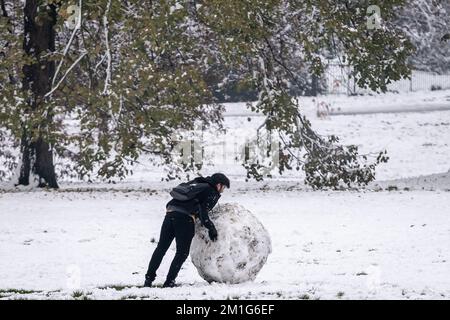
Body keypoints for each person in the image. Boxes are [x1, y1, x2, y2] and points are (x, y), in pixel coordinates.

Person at [144, 173, 230, 288]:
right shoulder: (211, 191)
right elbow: (203, 212)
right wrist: (211, 228)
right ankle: (169, 282)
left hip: (170, 215)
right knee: (182, 253)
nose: (222, 191)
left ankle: (148, 280)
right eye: (223, 188)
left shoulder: (198, 182)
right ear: (218, 185)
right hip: (185, 219)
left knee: (161, 248)